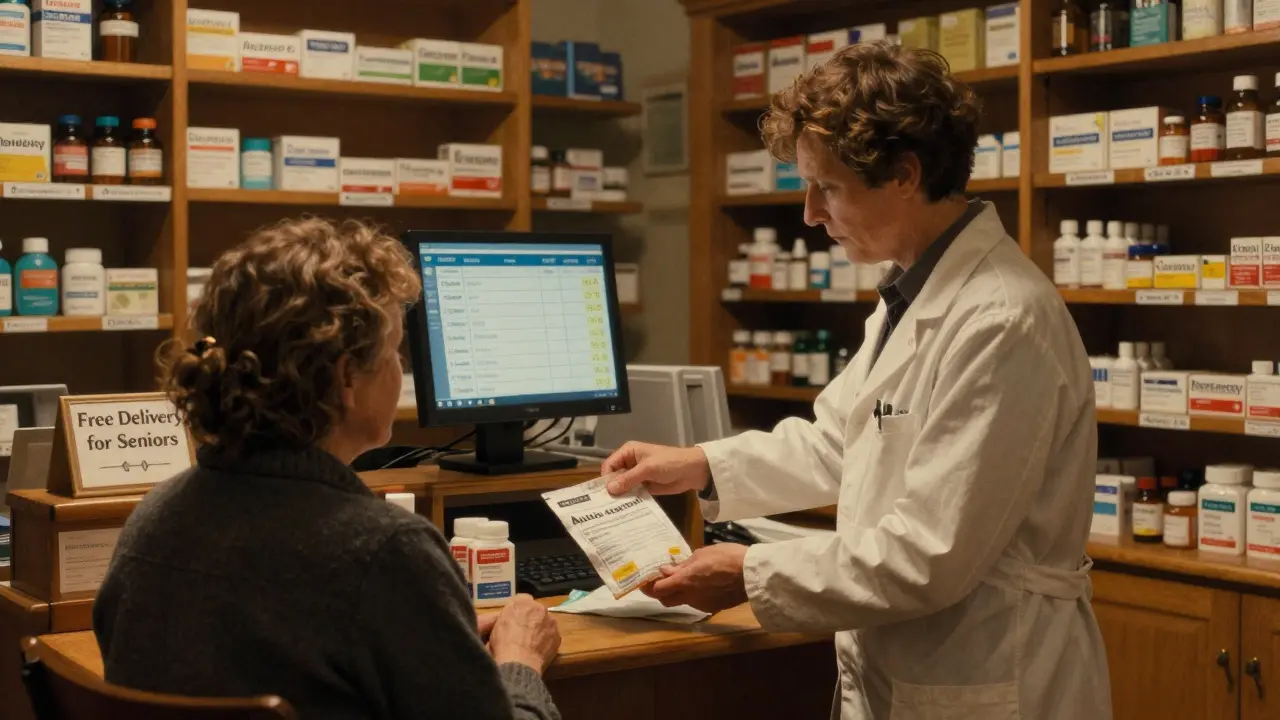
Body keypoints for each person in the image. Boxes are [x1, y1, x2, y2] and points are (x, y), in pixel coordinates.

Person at [604, 42, 1111, 719]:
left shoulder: (1001, 318)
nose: (811, 214)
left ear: (905, 174)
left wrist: (748, 573)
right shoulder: (913, 290)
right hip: (915, 662)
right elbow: (842, 443)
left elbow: (929, 554)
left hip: (989, 669)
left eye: (828, 188)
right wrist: (699, 464)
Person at [93, 218, 563, 720]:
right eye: (392, 352)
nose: (399, 369)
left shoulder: (154, 517)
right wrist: (520, 662)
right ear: (346, 378)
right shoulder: (384, 550)